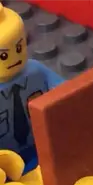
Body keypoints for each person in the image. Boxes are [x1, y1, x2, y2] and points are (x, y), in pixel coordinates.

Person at [0, 4, 64, 175]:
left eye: (19, 48)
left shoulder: (36, 70)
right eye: (3, 56)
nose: (14, 58)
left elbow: (66, 91)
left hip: (41, 148)